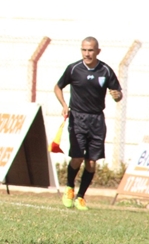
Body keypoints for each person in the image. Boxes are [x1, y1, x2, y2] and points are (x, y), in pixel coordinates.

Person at [54, 37, 122, 211]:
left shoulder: (106, 70)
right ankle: (69, 187)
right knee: (77, 157)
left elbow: (117, 93)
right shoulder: (74, 69)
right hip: (78, 118)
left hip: (97, 120)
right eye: (84, 50)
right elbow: (58, 87)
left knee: (91, 163)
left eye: (90, 50)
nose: (87, 54)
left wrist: (117, 96)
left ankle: (81, 197)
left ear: (97, 51)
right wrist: (64, 105)